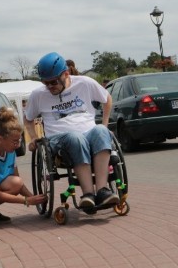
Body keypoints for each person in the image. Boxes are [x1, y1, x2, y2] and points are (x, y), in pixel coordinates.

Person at [24, 52, 119, 214]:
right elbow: (28, 119)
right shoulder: (38, 95)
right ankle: (88, 194)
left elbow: (107, 98)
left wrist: (104, 123)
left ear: (66, 74)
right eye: (46, 83)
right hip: (59, 140)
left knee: (101, 131)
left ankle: (102, 190)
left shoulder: (85, 83)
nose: (50, 86)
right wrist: (34, 137)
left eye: (53, 82)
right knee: (75, 137)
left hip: (89, 134)